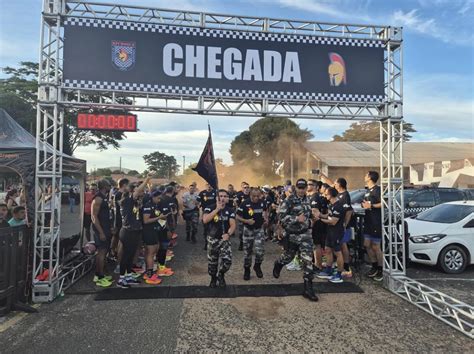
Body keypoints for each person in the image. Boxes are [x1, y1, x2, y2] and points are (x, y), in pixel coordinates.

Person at [272, 178, 318, 302]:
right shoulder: (289, 200)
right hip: (292, 234)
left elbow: (309, 215)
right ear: (296, 188)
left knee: (307, 260)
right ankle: (279, 263)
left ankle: (308, 288)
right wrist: (296, 219)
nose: (302, 190)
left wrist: (313, 217)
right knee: (288, 257)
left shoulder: (308, 199)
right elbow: (281, 216)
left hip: (305, 235)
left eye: (303, 188)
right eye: (299, 188)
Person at [117, 177, 150, 288]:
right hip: (127, 231)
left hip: (134, 231)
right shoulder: (127, 201)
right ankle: (121, 279)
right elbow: (138, 191)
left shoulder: (134, 202)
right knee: (126, 256)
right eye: (136, 190)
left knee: (131, 256)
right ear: (131, 192)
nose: (140, 192)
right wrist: (148, 178)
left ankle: (129, 275)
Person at [203, 189, 236, 288]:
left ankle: (221, 274)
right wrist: (217, 209)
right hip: (212, 239)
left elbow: (233, 225)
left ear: (227, 198)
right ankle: (213, 278)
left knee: (227, 261)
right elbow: (205, 220)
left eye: (225, 196)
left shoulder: (230, 210)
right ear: (217, 197)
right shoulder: (209, 208)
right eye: (220, 196)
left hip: (224, 240)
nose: (223, 198)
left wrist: (228, 234)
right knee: (212, 263)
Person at [236, 187, 268, 280]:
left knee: (260, 251)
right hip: (248, 230)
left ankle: (257, 266)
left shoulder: (262, 202)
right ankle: (247, 270)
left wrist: (266, 218)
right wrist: (246, 220)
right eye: (254, 196)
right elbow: (237, 216)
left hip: (259, 229)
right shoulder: (244, 203)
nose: (256, 198)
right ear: (250, 195)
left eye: (258, 196)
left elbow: (265, 210)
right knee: (247, 252)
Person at [315, 187, 345, 283]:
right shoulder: (331, 205)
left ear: (331, 194)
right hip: (330, 232)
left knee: (337, 252)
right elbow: (328, 216)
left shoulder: (338, 206)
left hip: (337, 232)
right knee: (327, 249)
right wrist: (319, 214)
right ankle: (328, 271)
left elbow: (333, 222)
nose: (325, 195)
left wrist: (319, 220)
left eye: (326, 194)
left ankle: (339, 275)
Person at [362, 171, 383, 282]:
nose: (364, 176)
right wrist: (364, 205)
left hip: (376, 221)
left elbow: (384, 203)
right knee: (367, 244)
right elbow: (365, 202)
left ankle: (381, 269)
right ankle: (374, 266)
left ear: (370, 177)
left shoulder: (377, 189)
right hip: (368, 220)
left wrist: (372, 205)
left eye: (366, 175)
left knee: (376, 246)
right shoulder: (367, 190)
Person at [142, 190, 167, 285]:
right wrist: (159, 217)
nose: (159, 200)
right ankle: (149, 274)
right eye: (158, 198)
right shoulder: (148, 205)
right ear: (153, 197)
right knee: (150, 253)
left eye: (160, 198)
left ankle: (149, 271)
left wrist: (162, 218)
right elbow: (146, 220)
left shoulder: (155, 205)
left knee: (152, 251)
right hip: (148, 232)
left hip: (154, 231)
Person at [91, 179, 113, 287]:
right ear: (105, 186)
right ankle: (99, 277)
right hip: (101, 230)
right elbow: (94, 216)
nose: (111, 187)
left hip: (106, 228)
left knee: (105, 252)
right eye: (109, 185)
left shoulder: (104, 197)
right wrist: (101, 232)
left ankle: (99, 273)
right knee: (101, 252)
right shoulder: (98, 198)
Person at [335, 178, 354, 278]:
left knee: (343, 244)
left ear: (340, 184)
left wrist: (345, 224)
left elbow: (349, 211)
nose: (334, 184)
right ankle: (341, 265)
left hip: (344, 226)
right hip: (338, 224)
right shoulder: (339, 194)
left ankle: (346, 266)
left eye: (335, 183)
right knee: (341, 244)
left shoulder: (345, 195)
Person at [309, 181, 328, 271]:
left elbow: (315, 212)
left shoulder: (315, 197)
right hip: (320, 223)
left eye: (310, 184)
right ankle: (317, 264)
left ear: (316, 187)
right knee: (317, 245)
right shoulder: (316, 196)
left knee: (316, 245)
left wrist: (311, 225)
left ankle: (318, 265)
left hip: (316, 224)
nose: (308, 186)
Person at [198, 183, 217, 250]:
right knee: (206, 228)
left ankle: (214, 242)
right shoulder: (202, 193)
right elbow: (198, 201)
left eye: (210, 185)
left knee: (215, 226)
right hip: (205, 213)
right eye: (207, 185)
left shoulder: (215, 192)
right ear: (205, 186)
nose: (209, 186)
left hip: (214, 212)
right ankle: (206, 243)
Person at [235, 182, 250, 251]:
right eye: (245, 188)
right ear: (242, 189)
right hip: (241, 215)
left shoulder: (251, 195)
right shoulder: (239, 195)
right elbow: (235, 203)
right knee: (241, 231)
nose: (246, 189)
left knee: (249, 231)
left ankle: (248, 246)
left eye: (247, 187)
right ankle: (241, 243)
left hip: (249, 215)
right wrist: (238, 208)